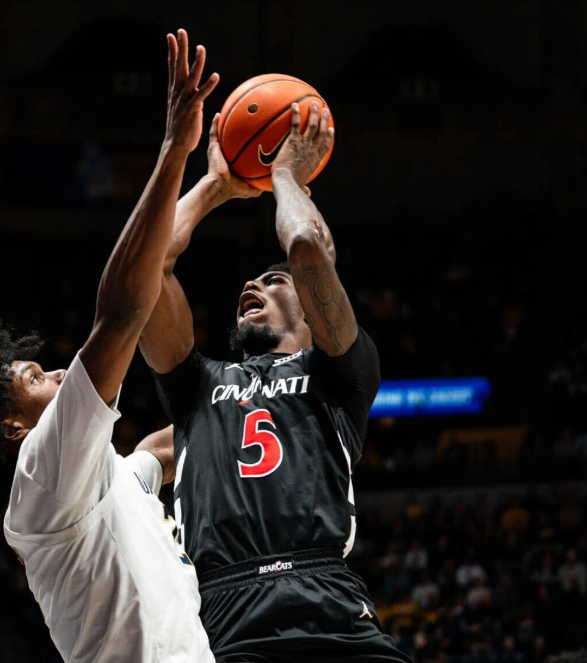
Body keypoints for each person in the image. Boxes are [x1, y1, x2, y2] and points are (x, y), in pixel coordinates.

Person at [0, 29, 219, 663]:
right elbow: (125, 307)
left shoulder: (88, 484)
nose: (52, 370)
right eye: (32, 376)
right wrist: (173, 152)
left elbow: (163, 448)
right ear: (13, 425)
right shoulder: (43, 472)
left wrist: (217, 187)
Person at [141, 99, 409, 662]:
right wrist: (215, 185)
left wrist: (284, 173)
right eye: (251, 280)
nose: (253, 283)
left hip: (328, 598)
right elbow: (147, 267)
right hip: (225, 608)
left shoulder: (338, 372)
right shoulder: (198, 386)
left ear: (315, 309)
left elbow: (309, 249)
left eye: (273, 279)